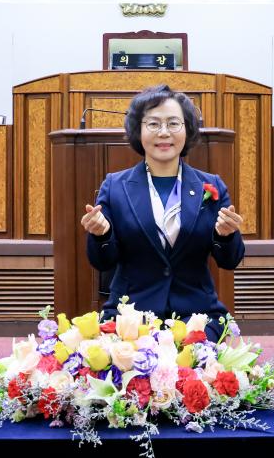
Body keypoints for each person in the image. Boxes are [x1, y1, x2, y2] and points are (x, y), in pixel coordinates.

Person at [81, 84, 245, 342]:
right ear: (138, 131)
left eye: (173, 123)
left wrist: (226, 236)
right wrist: (102, 234)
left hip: (197, 315)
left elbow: (230, 260)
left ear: (187, 129)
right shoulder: (115, 186)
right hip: (130, 317)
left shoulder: (211, 185)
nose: (164, 132)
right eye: (154, 124)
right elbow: (102, 262)